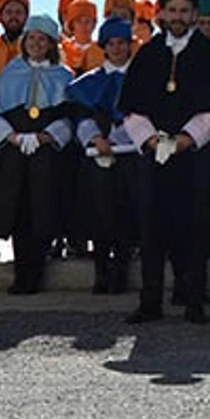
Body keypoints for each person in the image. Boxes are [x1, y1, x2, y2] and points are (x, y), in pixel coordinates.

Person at [119, 0, 210, 324]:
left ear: (194, 14)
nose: (179, 17)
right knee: (152, 227)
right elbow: (131, 108)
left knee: (195, 227)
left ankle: (194, 299)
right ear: (161, 13)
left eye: (185, 11)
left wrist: (186, 139)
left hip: (194, 155)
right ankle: (150, 301)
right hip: (154, 155)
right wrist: (151, 139)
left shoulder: (208, 55)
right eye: (173, 10)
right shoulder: (148, 55)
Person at [0, 15, 77, 294]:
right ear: (25, 42)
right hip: (15, 152)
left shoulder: (64, 76)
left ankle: (36, 272)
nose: (36, 44)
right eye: (32, 38)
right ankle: (21, 272)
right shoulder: (11, 72)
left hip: (47, 153)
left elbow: (70, 118)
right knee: (19, 211)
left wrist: (47, 136)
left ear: (51, 44)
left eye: (43, 39)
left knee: (44, 209)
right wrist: (12, 136)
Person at [68, 17, 140, 295]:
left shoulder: (140, 80)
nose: (117, 48)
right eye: (111, 43)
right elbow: (80, 115)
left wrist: (119, 138)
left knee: (125, 211)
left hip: (129, 152)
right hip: (96, 151)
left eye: (122, 43)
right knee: (98, 211)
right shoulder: (89, 82)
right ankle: (101, 271)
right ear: (103, 46)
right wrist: (96, 138)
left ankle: (121, 270)